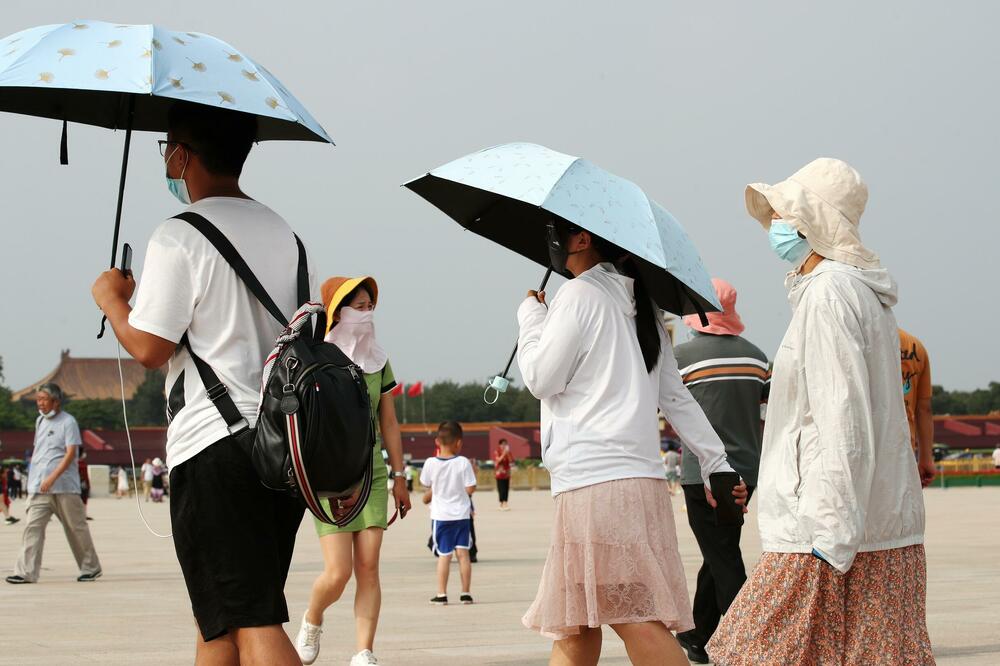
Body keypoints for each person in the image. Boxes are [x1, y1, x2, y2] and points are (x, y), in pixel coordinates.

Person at [90, 101, 320, 665]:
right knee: (218, 618)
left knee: (249, 619)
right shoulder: (284, 233)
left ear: (183, 155)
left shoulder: (179, 236)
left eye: (168, 145)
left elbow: (149, 346)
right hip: (279, 447)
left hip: (216, 447)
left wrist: (112, 300)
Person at [707, 158, 933, 664]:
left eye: (786, 214)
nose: (776, 226)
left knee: (755, 653)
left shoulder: (830, 294)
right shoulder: (856, 292)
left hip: (826, 530)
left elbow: (842, 417)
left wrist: (830, 535)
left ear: (812, 221)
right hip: (872, 527)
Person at [517, 221, 747, 666]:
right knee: (577, 622)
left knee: (632, 615)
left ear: (582, 240)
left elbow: (542, 379)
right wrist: (717, 463)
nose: (549, 238)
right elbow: (676, 399)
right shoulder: (642, 308)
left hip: (594, 484)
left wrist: (530, 322)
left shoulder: (581, 295)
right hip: (634, 482)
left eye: (555, 231)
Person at [295, 276, 412, 666]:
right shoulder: (319, 358)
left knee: (368, 566)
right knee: (338, 572)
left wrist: (399, 478)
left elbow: (390, 423)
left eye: (369, 307)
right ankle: (313, 618)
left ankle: (364, 651)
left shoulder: (379, 359)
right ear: (336, 311)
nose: (365, 314)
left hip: (373, 474)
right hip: (330, 476)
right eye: (357, 307)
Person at [670, 277, 769, 663]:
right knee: (720, 549)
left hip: (703, 473)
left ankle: (749, 636)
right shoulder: (758, 358)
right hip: (746, 471)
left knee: (723, 557)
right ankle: (699, 634)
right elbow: (766, 411)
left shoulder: (682, 358)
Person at [6, 384, 102, 583]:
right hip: (39, 487)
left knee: (76, 528)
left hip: (65, 487)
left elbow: (70, 454)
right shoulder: (40, 421)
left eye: (43, 399)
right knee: (32, 527)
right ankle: (26, 572)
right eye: (38, 399)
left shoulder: (68, 422)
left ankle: (90, 567)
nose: (39, 403)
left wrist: (52, 477)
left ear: (56, 401)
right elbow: (39, 452)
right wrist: (36, 477)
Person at [421, 421, 477, 606]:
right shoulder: (463, 463)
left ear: (437, 441)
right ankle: (465, 593)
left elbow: (426, 484)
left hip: (441, 516)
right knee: (464, 554)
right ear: (458, 443)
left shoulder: (430, 463)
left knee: (444, 555)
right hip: (461, 515)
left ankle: (441, 593)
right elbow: (470, 488)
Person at [900, 329, 937, 487]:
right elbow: (924, 409)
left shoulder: (862, 338)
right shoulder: (915, 346)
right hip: (904, 446)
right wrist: (926, 458)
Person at [494, 439, 514, 510]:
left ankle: (505, 502)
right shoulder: (497, 451)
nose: (504, 446)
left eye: (505, 444)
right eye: (502, 444)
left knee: (506, 488)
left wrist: (507, 453)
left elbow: (511, 461)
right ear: (499, 445)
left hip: (506, 473)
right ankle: (501, 503)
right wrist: (503, 454)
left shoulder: (508, 452)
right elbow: (498, 460)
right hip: (499, 474)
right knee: (501, 489)